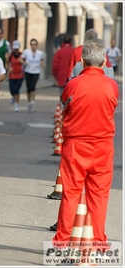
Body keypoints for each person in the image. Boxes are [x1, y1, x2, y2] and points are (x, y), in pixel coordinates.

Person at [52, 38, 119, 250]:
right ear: (104, 61)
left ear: (81, 61)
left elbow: (64, 106)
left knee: (70, 193)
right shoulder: (112, 85)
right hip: (103, 145)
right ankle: (98, 240)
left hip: (76, 144)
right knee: (99, 194)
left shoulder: (73, 84)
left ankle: (62, 240)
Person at [20, 38, 44, 112]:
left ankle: (33, 102)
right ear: (30, 45)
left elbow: (42, 60)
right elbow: (20, 59)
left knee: (33, 86)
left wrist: (42, 63)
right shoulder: (26, 52)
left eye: (35, 45)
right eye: (32, 45)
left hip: (36, 72)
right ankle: (29, 102)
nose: (33, 46)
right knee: (28, 88)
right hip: (28, 71)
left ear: (37, 45)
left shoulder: (40, 53)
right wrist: (24, 63)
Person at [7, 40, 24, 112]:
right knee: (12, 90)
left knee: (17, 90)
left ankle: (16, 105)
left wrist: (22, 62)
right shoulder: (10, 56)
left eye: (17, 49)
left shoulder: (22, 55)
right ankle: (13, 96)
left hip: (20, 75)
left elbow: (26, 63)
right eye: (15, 49)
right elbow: (7, 63)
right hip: (12, 75)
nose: (16, 50)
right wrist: (8, 68)